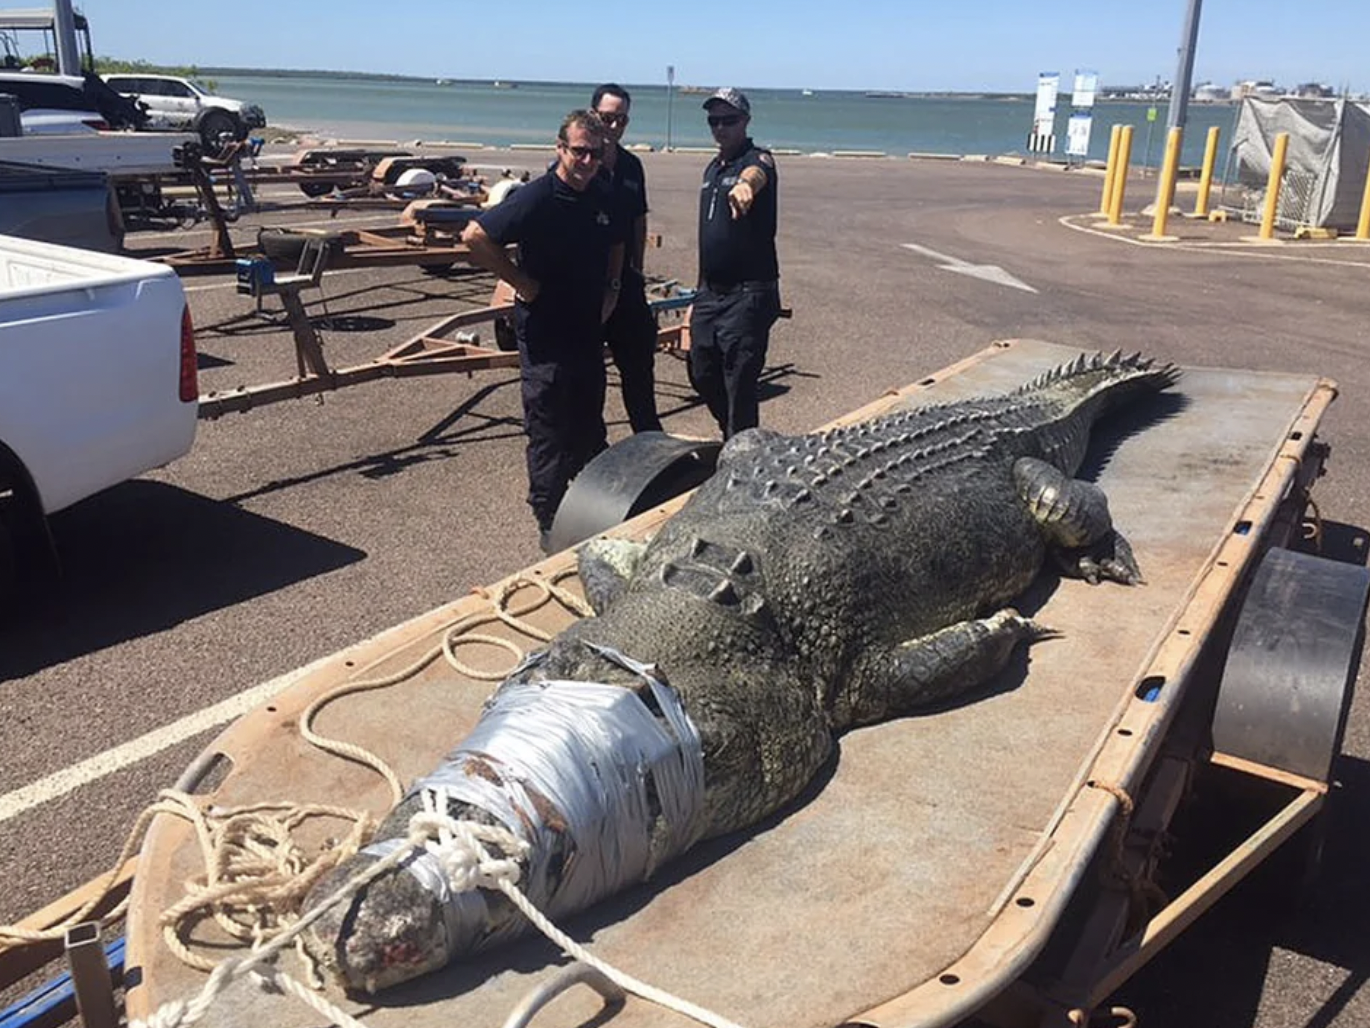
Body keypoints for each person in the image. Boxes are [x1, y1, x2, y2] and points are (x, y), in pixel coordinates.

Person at [461, 110, 623, 552]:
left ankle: (594, 503)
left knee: (589, 421)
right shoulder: (536, 198)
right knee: (549, 429)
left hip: (588, 329)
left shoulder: (602, 192)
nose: (587, 160)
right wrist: (521, 283)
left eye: (595, 152)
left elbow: (617, 239)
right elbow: (474, 237)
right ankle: (549, 517)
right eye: (579, 152)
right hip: (546, 333)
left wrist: (612, 286)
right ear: (560, 149)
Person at [688, 87, 781, 440]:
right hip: (710, 294)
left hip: (748, 294)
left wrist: (745, 187)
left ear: (745, 121)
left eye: (729, 120)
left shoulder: (758, 159)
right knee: (701, 370)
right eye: (714, 120)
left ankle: (742, 450)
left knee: (739, 380)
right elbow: (707, 240)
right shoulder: (712, 168)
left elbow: (757, 174)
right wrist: (696, 298)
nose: (721, 127)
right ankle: (735, 435)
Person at [591, 83, 663, 433]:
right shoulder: (577, 164)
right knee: (589, 376)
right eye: (607, 118)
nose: (614, 127)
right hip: (587, 285)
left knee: (638, 365)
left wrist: (637, 270)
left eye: (621, 120)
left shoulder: (632, 166)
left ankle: (648, 439)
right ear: (593, 117)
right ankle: (590, 448)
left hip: (626, 283)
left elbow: (638, 219)